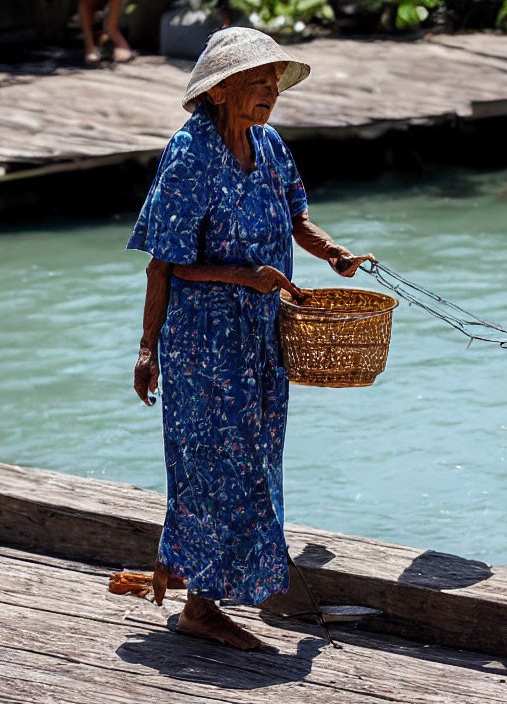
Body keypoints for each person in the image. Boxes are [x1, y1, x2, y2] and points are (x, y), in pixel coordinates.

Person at [127, 27, 374, 651]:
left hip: (261, 342)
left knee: (258, 463)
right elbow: (166, 263)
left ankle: (186, 571)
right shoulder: (190, 156)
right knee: (215, 471)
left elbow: (296, 218)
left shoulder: (270, 146)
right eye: (256, 82)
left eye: (273, 83)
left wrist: (333, 254)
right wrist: (147, 348)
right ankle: (201, 608)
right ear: (219, 91)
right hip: (203, 346)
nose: (268, 93)